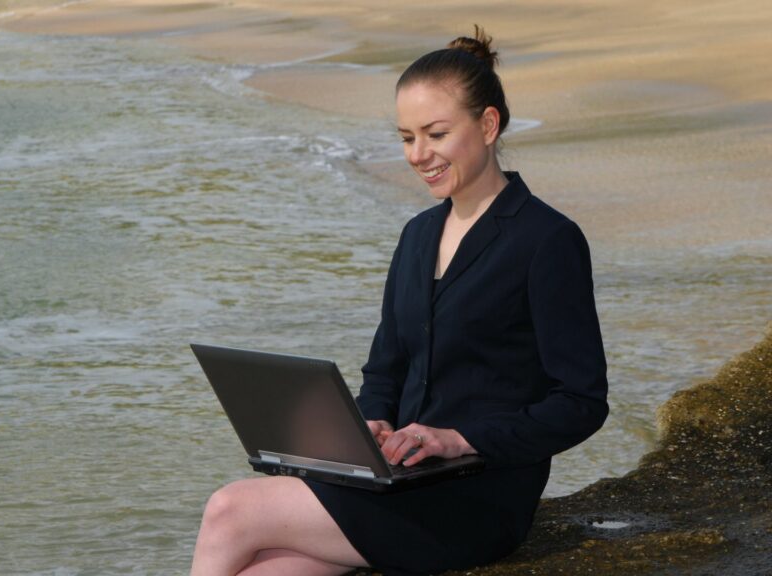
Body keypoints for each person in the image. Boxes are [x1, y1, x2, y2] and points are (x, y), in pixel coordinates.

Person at [189, 26, 608, 576]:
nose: (419, 155)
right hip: (398, 481)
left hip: (476, 499)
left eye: (436, 134)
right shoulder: (417, 235)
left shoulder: (546, 239)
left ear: (487, 125)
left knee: (230, 510)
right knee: (262, 569)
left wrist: (459, 439)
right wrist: (371, 425)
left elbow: (581, 401)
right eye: (407, 137)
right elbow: (385, 368)